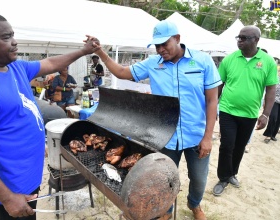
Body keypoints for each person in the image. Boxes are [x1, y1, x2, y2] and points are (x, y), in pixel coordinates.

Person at [0, 11, 98, 220]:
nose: (14, 42)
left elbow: (50, 63)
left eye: (13, 36)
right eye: (6, 37)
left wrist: (84, 50)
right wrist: (7, 198)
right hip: (12, 189)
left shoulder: (13, 67)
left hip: (27, 180)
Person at [89, 19, 221, 220]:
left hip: (196, 134)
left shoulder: (202, 61)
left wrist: (208, 137)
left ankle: (194, 204)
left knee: (199, 178)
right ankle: (164, 210)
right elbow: (122, 73)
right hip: (165, 135)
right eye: (156, 45)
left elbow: (212, 101)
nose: (160, 49)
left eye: (164, 44)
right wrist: (100, 52)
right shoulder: (153, 64)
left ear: (177, 39)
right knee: (161, 178)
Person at [213, 26, 279, 196]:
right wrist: (213, 108)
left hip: (250, 114)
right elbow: (219, 84)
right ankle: (223, 177)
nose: (239, 40)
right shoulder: (229, 59)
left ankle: (233, 173)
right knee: (226, 145)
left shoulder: (268, 61)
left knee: (240, 146)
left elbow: (271, 89)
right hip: (227, 111)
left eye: (244, 38)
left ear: (256, 40)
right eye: (238, 37)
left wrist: (265, 114)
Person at [263, 67, 280, 143]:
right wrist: (265, 101)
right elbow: (269, 90)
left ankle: (273, 134)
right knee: (273, 117)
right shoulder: (275, 79)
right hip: (275, 101)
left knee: (278, 120)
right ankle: (268, 135)